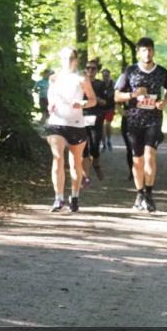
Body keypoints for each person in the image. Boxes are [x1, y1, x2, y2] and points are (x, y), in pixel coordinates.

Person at [114, 37, 167, 212]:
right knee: (137, 160)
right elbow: (117, 96)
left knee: (150, 156)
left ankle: (149, 194)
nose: (147, 53)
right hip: (134, 120)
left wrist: (164, 103)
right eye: (143, 50)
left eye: (149, 50)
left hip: (154, 119)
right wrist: (133, 95)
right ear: (138, 52)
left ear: (153, 51)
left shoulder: (162, 72)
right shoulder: (130, 71)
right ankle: (139, 193)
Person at [45, 47, 97, 213]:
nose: (67, 61)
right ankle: (58, 198)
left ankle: (74, 196)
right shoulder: (53, 78)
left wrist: (83, 104)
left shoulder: (82, 79)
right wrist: (50, 104)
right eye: (64, 58)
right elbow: (50, 96)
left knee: (75, 162)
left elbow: (93, 100)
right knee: (58, 158)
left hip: (76, 123)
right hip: (56, 122)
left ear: (75, 60)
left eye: (70, 58)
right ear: (60, 59)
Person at [82, 60, 106, 183]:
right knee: (83, 147)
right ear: (85, 69)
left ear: (97, 70)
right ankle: (86, 175)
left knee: (95, 146)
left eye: (93, 68)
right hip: (81, 117)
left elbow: (106, 102)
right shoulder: (80, 83)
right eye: (88, 68)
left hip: (96, 117)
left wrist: (96, 99)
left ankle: (96, 165)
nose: (90, 71)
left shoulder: (101, 84)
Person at [100, 68, 115, 151]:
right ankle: (104, 143)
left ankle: (109, 140)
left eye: (106, 75)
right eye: (104, 75)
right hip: (101, 109)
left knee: (108, 125)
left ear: (109, 75)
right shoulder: (100, 84)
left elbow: (117, 93)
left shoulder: (113, 84)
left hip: (110, 108)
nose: (105, 77)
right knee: (102, 126)